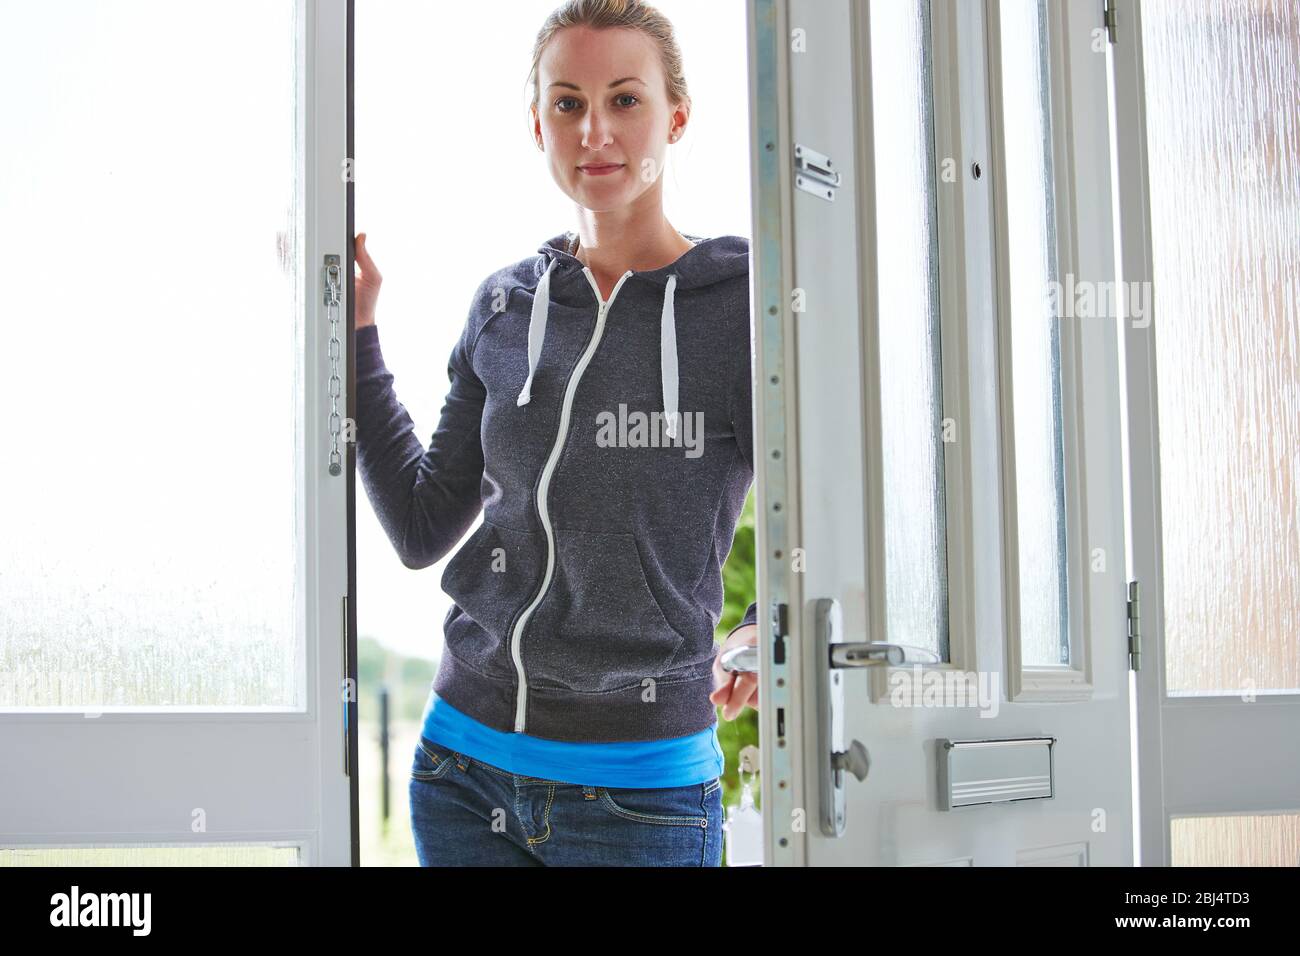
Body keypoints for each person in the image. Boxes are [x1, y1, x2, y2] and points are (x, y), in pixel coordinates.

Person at [353, 0, 758, 867]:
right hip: (463, 767)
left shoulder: (743, 309)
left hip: (643, 791)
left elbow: (829, 497)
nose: (595, 131)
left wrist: (764, 627)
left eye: (624, 99)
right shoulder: (504, 307)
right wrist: (357, 343)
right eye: (568, 103)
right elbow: (424, 526)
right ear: (537, 123)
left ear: (675, 116)